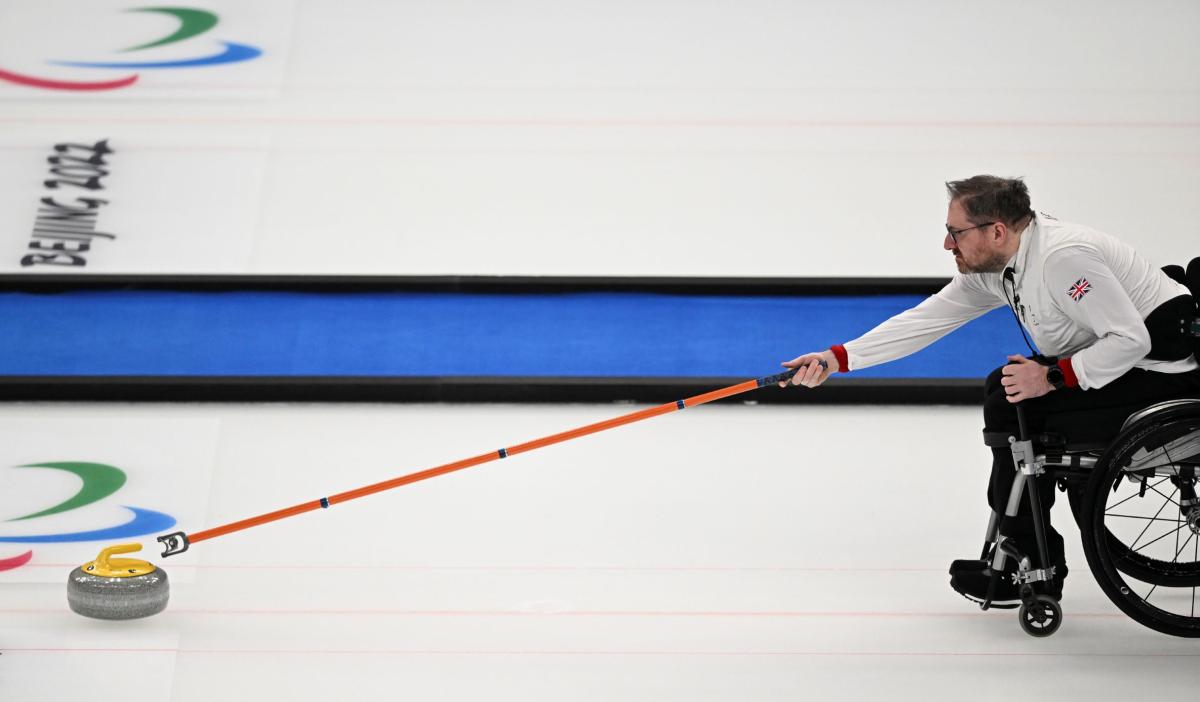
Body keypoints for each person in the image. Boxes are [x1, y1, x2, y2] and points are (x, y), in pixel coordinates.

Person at [782, 175, 1200, 606]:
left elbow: (1132, 340)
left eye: (955, 232)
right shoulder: (1004, 264)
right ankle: (1024, 550)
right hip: (1122, 363)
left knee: (1020, 407)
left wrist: (1054, 377)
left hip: (1161, 372)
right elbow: (926, 320)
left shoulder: (1061, 259)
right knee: (1003, 393)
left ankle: (1031, 561)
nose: (948, 244)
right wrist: (838, 358)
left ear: (996, 231)